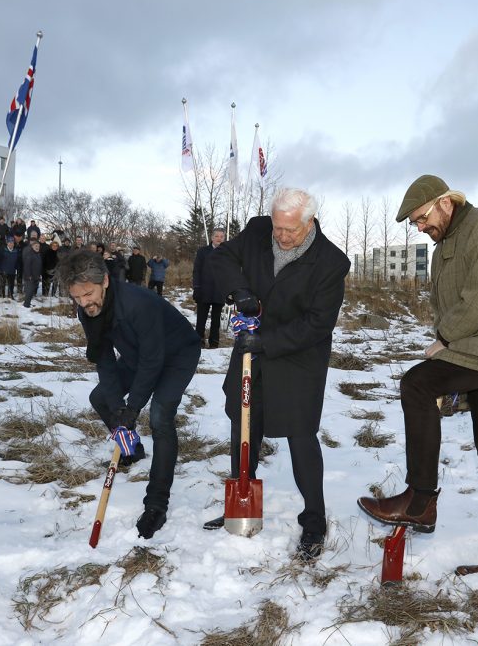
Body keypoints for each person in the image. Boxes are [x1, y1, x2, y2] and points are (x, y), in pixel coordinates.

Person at [357, 175, 478, 576]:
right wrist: (450, 342)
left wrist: (445, 340)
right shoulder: (445, 248)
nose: (420, 228)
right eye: (414, 224)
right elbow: (448, 304)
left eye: (421, 218)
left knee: (417, 384)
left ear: (445, 202)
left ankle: (420, 500)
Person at [204, 188, 350, 561]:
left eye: (290, 231)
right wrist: (240, 293)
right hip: (252, 347)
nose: (281, 236)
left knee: (300, 434)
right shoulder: (257, 230)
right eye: (278, 228)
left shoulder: (331, 262)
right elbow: (220, 259)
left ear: (309, 222)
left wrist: (264, 341)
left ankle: (314, 519)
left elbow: (318, 324)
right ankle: (242, 499)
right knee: (243, 422)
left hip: (298, 354)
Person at [58, 250, 201, 539]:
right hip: (139, 355)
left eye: (89, 294)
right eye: (78, 297)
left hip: (177, 355)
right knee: (100, 398)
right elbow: (105, 359)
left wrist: (132, 409)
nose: (85, 303)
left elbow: (153, 361)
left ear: (106, 281)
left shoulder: (138, 304)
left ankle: (156, 504)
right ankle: (132, 448)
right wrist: (118, 410)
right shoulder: (88, 311)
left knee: (160, 416)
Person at [192, 228, 226, 348]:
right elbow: (196, 271)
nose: (219, 239)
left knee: (216, 320)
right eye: (216, 236)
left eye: (222, 236)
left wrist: (230, 291)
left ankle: (214, 343)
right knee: (201, 319)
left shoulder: (227, 252)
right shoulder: (203, 251)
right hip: (204, 290)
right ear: (212, 238)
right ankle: (199, 342)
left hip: (219, 291)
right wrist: (196, 288)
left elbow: (231, 273)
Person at [21, 238, 43, 307]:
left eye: (38, 246)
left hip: (36, 276)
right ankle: (26, 304)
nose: (37, 247)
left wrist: (39, 275)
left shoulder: (38, 254)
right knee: (29, 291)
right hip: (30, 277)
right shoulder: (30, 254)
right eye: (36, 246)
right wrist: (29, 275)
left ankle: (28, 303)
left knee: (32, 291)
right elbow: (27, 266)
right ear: (32, 246)